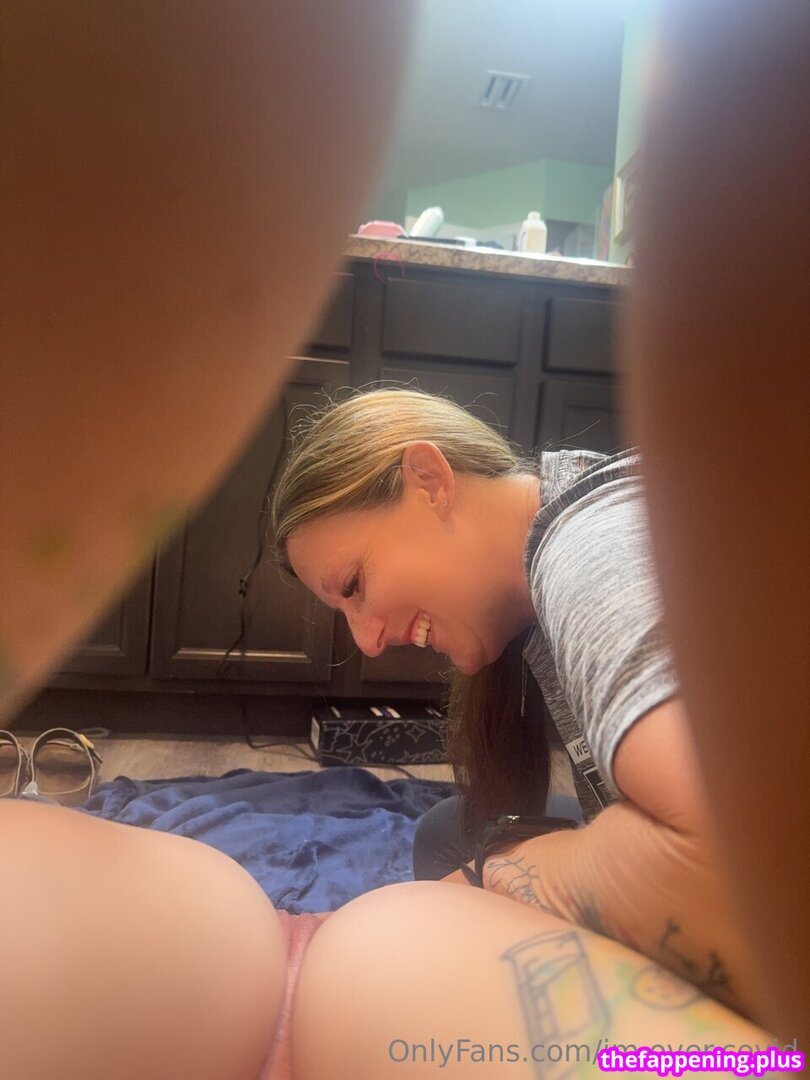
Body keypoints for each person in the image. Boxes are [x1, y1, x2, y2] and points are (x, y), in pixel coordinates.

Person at [1, 0, 807, 1075]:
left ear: (427, 478)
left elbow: (738, 860)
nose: (369, 639)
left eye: (354, 583)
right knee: (444, 838)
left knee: (429, 901)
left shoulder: (588, 549)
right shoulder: (565, 550)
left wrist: (513, 881)